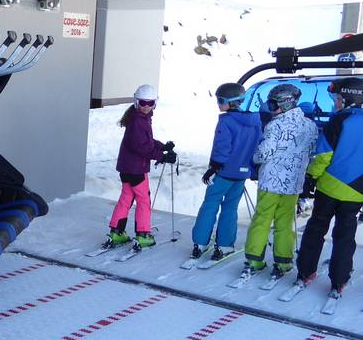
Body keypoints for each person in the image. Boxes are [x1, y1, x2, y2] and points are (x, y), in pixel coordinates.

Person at [240, 83, 318, 281]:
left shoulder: (275, 125)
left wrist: (254, 157)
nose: (270, 108)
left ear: (286, 104)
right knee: (285, 222)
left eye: (273, 104)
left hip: (270, 182)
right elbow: (312, 151)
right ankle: (283, 262)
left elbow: (265, 152)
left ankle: (254, 260)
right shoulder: (310, 126)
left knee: (262, 219)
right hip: (293, 184)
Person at [294, 77, 363, 300]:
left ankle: (306, 272)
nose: (335, 103)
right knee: (345, 235)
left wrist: (311, 177)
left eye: (338, 98)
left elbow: (324, 155)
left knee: (316, 228)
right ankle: (339, 280)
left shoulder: (339, 120)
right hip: (356, 192)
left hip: (329, 187)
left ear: (350, 99)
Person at [190, 82, 262, 261]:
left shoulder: (226, 121)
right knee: (230, 207)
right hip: (241, 174)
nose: (218, 104)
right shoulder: (255, 122)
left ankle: (200, 242)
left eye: (221, 100)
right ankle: (225, 245)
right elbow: (257, 146)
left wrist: (214, 167)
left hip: (223, 172)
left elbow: (222, 147)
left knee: (210, 204)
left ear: (233, 102)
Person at [105, 84, 174, 250]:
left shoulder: (138, 118)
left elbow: (146, 141)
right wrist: (162, 156)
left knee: (126, 197)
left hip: (126, 168)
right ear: (137, 102)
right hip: (136, 169)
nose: (146, 106)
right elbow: (141, 147)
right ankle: (143, 234)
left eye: (150, 103)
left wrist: (162, 146)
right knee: (143, 200)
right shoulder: (139, 120)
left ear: (155, 103)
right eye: (143, 103)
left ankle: (116, 232)